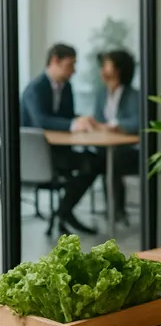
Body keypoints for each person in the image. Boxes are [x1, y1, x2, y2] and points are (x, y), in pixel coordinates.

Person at [21, 43, 103, 235]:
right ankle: (64, 214)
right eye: (71, 65)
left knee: (94, 162)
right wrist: (73, 124)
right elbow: (40, 120)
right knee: (87, 163)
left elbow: (66, 116)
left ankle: (63, 212)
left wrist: (80, 119)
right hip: (37, 158)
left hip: (59, 152)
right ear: (55, 61)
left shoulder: (66, 88)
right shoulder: (35, 88)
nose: (74, 71)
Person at [93, 49, 140, 223]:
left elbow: (137, 122)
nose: (102, 69)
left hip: (131, 151)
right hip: (107, 149)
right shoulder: (101, 94)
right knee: (99, 160)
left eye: (106, 65)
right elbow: (98, 121)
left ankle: (116, 210)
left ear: (117, 70)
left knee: (111, 162)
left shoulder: (133, 95)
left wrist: (115, 126)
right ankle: (115, 211)